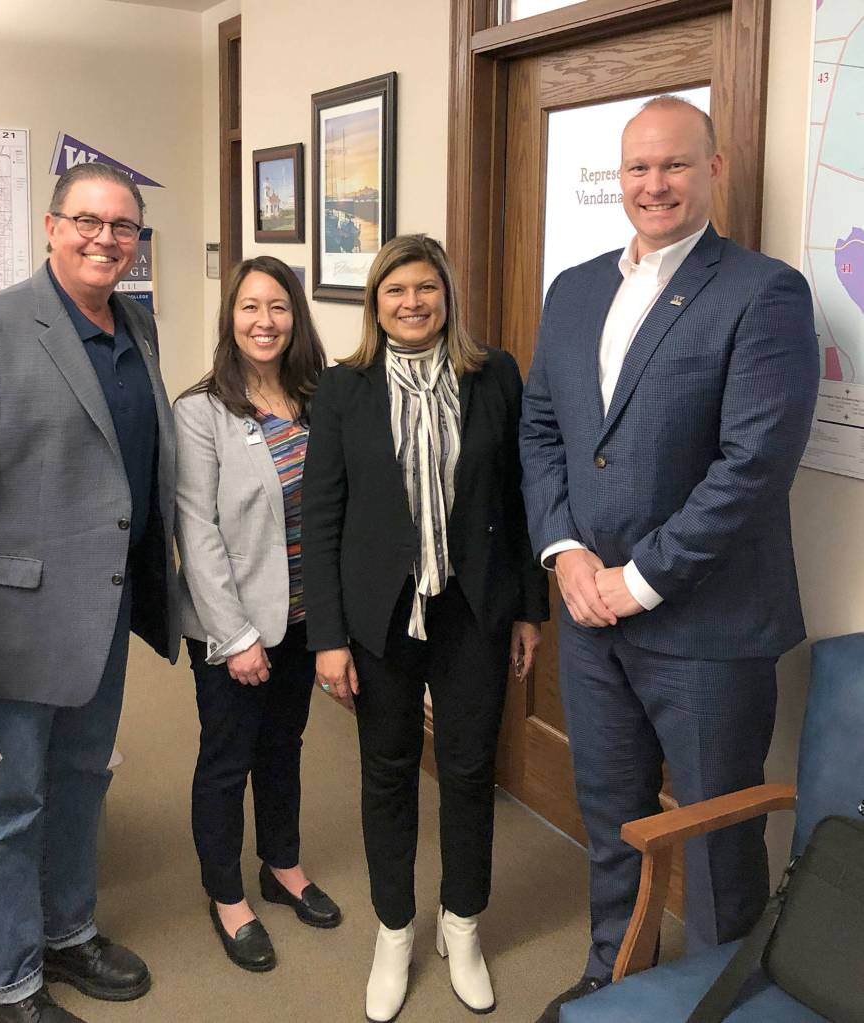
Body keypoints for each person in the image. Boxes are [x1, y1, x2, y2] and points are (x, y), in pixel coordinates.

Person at [519, 96, 819, 1022]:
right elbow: (544, 432)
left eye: (675, 165)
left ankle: (723, 996)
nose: (654, 185)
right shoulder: (572, 288)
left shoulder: (763, 292)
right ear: (618, 177)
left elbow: (752, 467)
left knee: (719, 836)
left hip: (705, 627)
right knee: (613, 819)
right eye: (638, 168)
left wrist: (635, 578)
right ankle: (617, 973)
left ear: (714, 170)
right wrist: (565, 552)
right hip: (588, 616)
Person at [0, 162, 180, 1023]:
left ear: (137, 241)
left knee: (82, 781)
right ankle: (2, 984)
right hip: (11, 620)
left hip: (102, 612)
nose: (106, 239)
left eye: (123, 227)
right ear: (51, 227)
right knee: (6, 803)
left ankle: (67, 931)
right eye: (88, 221)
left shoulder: (138, 327)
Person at [303, 234, 548, 1021]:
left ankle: (461, 923)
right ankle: (394, 929)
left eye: (425, 288)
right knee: (387, 770)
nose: (411, 303)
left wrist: (527, 610)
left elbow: (515, 500)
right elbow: (322, 515)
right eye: (394, 290)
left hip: (473, 609)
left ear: (447, 296)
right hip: (379, 616)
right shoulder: (342, 389)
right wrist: (329, 637)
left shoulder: (494, 374)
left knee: (471, 769)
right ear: (374, 303)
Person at [175, 255, 341, 974]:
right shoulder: (202, 409)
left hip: (304, 615)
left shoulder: (320, 398)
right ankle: (226, 895)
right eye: (249, 307)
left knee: (284, 747)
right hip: (233, 624)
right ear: (230, 316)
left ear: (295, 316)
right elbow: (196, 529)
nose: (264, 322)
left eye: (277, 307)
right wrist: (235, 635)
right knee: (226, 758)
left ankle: (281, 865)